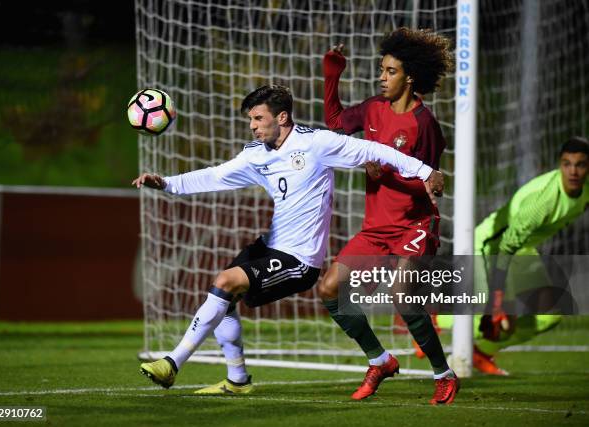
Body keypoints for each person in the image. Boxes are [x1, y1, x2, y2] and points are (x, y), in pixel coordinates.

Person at [135, 84, 444, 394]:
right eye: (250, 120)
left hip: (299, 260)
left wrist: (423, 169)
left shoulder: (317, 144)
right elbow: (216, 176)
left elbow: (374, 149)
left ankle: (172, 363)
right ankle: (237, 379)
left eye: (258, 118)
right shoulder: (256, 155)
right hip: (270, 246)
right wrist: (166, 184)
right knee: (222, 295)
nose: (253, 126)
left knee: (226, 282)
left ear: (281, 117)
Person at [318, 27, 458, 405]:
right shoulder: (373, 109)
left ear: (409, 77)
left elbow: (431, 184)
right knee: (329, 288)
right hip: (376, 228)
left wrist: (387, 171)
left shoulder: (423, 123)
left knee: (401, 292)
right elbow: (335, 123)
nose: (381, 77)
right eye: (381, 70)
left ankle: (443, 374)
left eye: (390, 71)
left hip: (415, 224)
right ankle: (380, 360)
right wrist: (333, 72)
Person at [462, 136, 589, 375]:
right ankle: (433, 317)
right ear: (559, 164)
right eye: (566, 164)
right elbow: (507, 246)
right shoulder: (544, 203)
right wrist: (497, 299)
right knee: (487, 317)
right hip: (491, 247)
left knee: (550, 315)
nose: (573, 171)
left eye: (580, 164)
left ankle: (482, 352)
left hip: (522, 249)